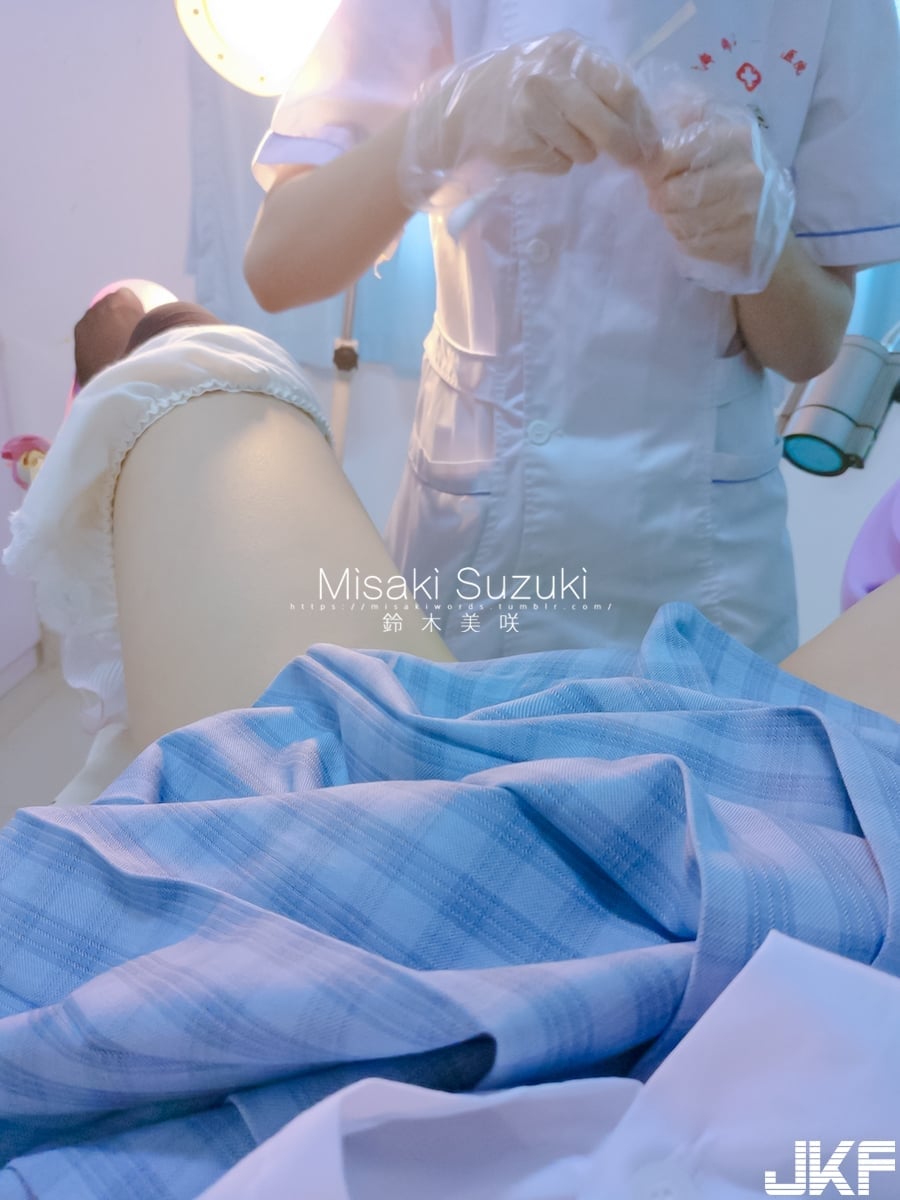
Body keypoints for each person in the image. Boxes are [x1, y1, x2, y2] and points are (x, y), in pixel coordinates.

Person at [243, 0, 900, 665]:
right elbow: (278, 265)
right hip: (477, 557)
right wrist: (440, 125)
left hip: (706, 574)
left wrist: (763, 248)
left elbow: (811, 346)